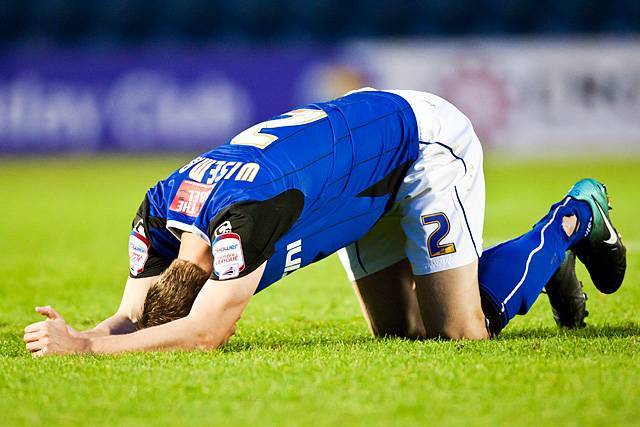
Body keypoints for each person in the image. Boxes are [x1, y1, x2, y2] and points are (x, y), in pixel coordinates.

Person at [22, 89, 626, 357]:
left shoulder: (243, 220)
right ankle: (542, 263)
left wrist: (84, 349)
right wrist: (84, 337)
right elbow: (134, 317)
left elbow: (203, 334)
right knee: (403, 335)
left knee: (462, 334)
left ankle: (571, 221)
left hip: (418, 141)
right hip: (351, 175)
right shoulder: (157, 213)